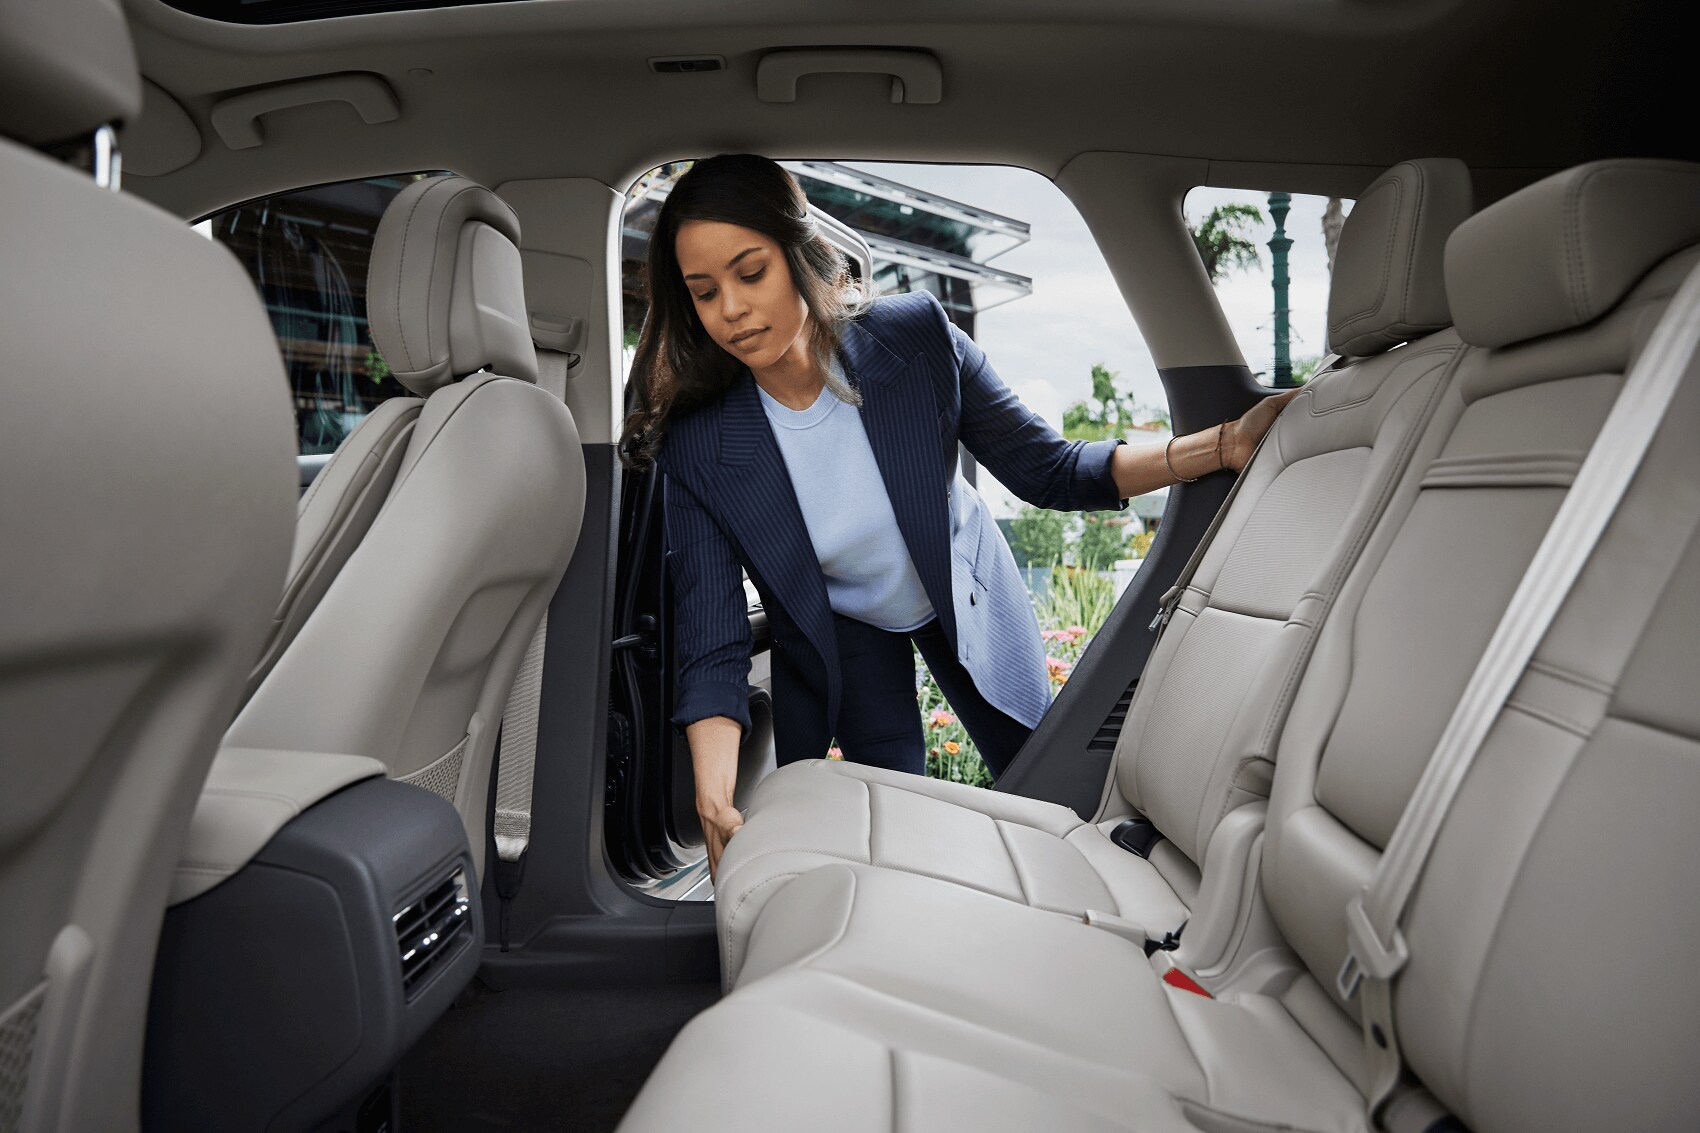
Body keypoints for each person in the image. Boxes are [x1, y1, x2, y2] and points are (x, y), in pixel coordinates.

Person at [619, 155, 1295, 876]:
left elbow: (1049, 467)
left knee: (1042, 780)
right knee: (892, 819)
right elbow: (713, 640)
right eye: (703, 292)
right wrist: (715, 797)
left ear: (797, 254)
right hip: (846, 624)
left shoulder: (915, 338)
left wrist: (1223, 443)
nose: (730, 309)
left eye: (750, 273)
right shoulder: (700, 443)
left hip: (958, 578)